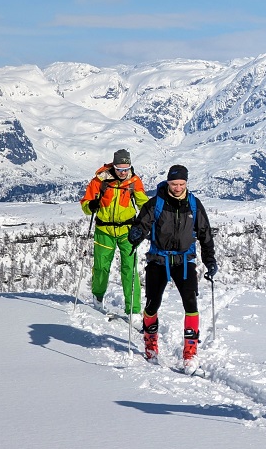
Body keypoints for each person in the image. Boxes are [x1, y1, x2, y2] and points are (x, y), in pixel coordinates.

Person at [127, 164, 218, 371]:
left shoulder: (194, 205)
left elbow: (205, 234)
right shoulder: (156, 203)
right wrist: (135, 236)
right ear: (168, 182)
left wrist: (210, 260)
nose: (177, 188)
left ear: (186, 183)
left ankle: (190, 352)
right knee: (152, 304)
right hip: (158, 260)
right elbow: (141, 225)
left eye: (181, 184)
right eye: (174, 183)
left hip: (184, 262)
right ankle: (150, 344)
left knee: (191, 304)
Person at [80, 149, 148, 324]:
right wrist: (92, 205)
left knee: (129, 268)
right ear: (113, 166)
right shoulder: (99, 181)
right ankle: (98, 297)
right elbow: (86, 205)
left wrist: (147, 222)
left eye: (126, 169)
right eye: (119, 169)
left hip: (127, 230)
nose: (123, 173)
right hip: (104, 230)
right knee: (102, 267)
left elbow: (144, 205)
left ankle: (133, 310)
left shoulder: (133, 182)